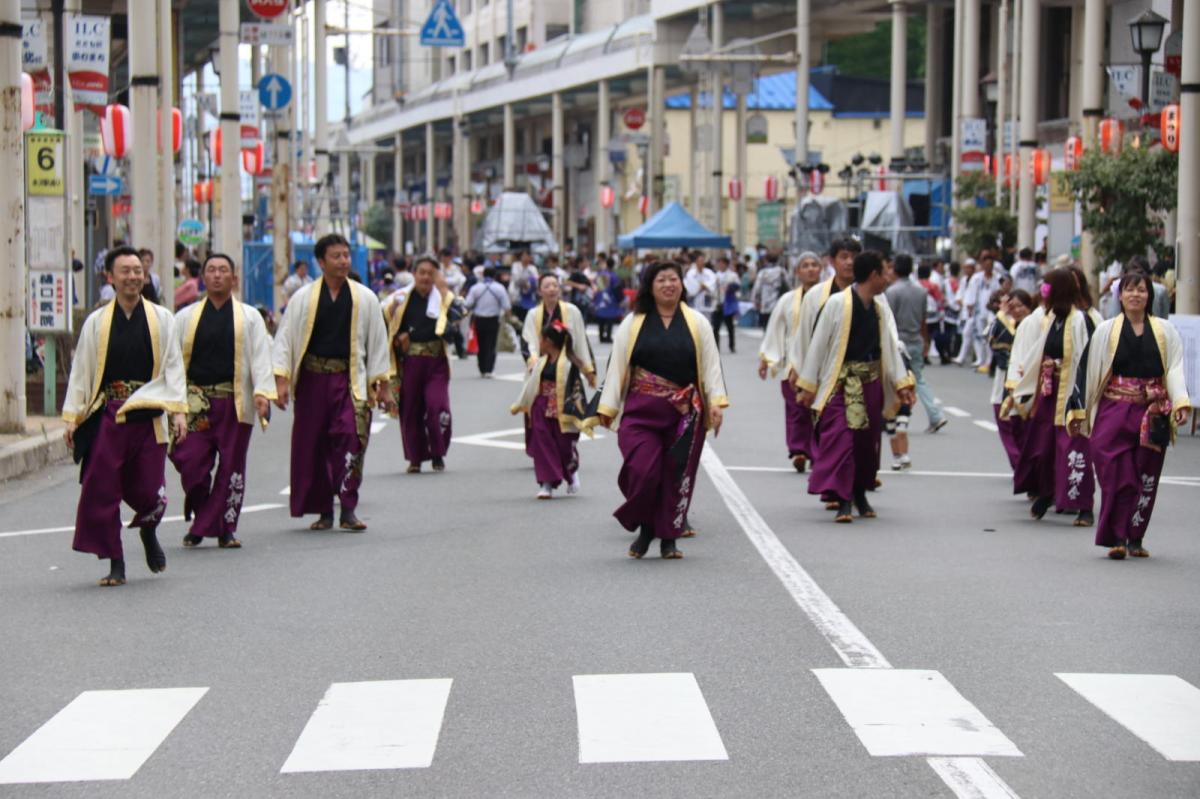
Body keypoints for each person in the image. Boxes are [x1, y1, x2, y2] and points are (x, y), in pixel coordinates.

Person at [61, 246, 188, 586]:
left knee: (150, 489)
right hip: (110, 415)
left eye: (137, 271)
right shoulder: (96, 322)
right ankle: (115, 561)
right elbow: (82, 371)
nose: (133, 277)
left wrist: (178, 411)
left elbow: (174, 366)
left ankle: (148, 530)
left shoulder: (162, 319)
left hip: (149, 414)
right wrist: (72, 416)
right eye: (125, 271)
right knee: (103, 488)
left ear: (144, 277)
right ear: (110, 278)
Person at [597, 261, 729, 560]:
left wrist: (716, 403)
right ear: (650, 286)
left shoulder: (697, 322)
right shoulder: (633, 322)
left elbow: (711, 365)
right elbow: (617, 365)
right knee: (644, 470)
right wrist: (608, 405)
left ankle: (668, 539)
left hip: (684, 414)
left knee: (675, 475)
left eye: (674, 279)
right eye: (661, 280)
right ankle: (646, 528)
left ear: (682, 284)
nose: (669, 285)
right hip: (640, 412)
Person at [272, 234, 393, 532]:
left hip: (349, 379)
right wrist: (282, 381)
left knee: (352, 437)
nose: (343, 261)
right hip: (312, 380)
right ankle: (324, 510)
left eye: (346, 255)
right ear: (321, 262)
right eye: (336, 256)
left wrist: (383, 385)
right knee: (314, 445)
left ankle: (348, 508)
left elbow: (378, 342)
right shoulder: (303, 298)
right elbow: (285, 340)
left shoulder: (365, 297)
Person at [1071, 269, 1191, 559]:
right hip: (1114, 410)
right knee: (1116, 474)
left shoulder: (1165, 331)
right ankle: (1116, 537)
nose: (1135, 295)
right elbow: (1088, 370)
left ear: (1150, 296)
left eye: (1141, 289)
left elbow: (1174, 368)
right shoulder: (1106, 330)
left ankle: (1134, 537)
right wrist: (1078, 410)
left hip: (1151, 411)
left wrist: (1180, 401)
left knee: (1146, 474)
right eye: (1129, 289)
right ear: (1120, 295)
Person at [796, 251, 915, 523]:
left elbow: (889, 347)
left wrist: (902, 384)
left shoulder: (879, 308)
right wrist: (808, 384)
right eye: (884, 273)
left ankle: (860, 492)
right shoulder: (837, 303)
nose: (888, 278)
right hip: (840, 385)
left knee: (866, 443)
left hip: (870, 383)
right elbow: (818, 344)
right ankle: (844, 499)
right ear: (873, 275)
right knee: (842, 440)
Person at [169, 253, 275, 549]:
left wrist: (262, 393)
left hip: (234, 402)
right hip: (196, 402)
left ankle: (224, 529)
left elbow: (260, 358)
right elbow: (172, 363)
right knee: (191, 463)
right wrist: (174, 404)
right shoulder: (185, 318)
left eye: (223, 270)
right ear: (203, 277)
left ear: (234, 278)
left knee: (231, 468)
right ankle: (204, 518)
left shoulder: (250, 317)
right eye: (212, 270)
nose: (217, 275)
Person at [1005, 268, 1094, 526]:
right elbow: (1039, 352)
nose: (1043, 291)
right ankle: (1046, 492)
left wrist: (1082, 393)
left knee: (1072, 447)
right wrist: (1022, 381)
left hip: (1071, 393)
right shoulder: (1052, 317)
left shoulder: (1079, 320)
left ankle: (1083, 506)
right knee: (1042, 445)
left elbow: (1085, 358)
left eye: (1047, 286)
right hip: (1049, 391)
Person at [385, 256, 455, 474]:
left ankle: (437, 451)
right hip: (411, 362)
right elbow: (388, 326)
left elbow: (456, 326)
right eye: (421, 272)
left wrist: (445, 293)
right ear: (414, 274)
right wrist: (399, 339)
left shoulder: (444, 298)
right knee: (410, 409)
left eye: (430, 273)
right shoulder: (400, 299)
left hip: (436, 362)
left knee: (437, 406)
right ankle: (415, 457)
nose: (425, 277)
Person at [510, 321, 594, 499]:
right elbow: (531, 386)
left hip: (563, 408)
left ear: (550, 341)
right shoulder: (540, 362)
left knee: (564, 446)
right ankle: (546, 484)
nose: (540, 342)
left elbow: (577, 390)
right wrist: (520, 404)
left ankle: (571, 472)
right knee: (542, 444)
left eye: (542, 339)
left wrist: (580, 413)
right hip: (541, 406)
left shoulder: (570, 365)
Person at [758, 250, 822, 472]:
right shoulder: (787, 300)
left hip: (822, 365)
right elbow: (775, 328)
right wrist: (767, 358)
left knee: (820, 411)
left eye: (814, 264)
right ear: (797, 272)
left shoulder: (832, 297)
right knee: (796, 410)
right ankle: (799, 450)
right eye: (805, 265)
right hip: (793, 365)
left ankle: (818, 452)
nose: (810, 269)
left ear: (821, 269)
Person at [885, 254, 948, 434]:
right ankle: (936, 415)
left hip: (898, 342)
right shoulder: (921, 291)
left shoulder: (892, 292)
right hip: (916, 339)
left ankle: (892, 417)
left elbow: (889, 320)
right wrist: (925, 340)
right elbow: (923, 319)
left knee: (892, 381)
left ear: (896, 269)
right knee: (918, 379)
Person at [990, 288, 1035, 470]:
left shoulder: (1034, 325)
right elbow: (995, 340)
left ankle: (1024, 466)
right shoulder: (1007, 324)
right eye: (1012, 307)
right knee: (1007, 423)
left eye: (1020, 306)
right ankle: (1020, 465)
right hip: (1005, 380)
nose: (1016, 310)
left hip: (1028, 383)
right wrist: (1002, 314)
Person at [521, 273, 595, 382]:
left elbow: (581, 340)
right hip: (541, 367)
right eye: (547, 286)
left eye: (555, 286)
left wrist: (587, 368)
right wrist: (532, 360)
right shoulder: (533, 314)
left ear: (559, 289)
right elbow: (528, 340)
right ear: (539, 291)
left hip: (568, 366)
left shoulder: (572, 311)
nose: (552, 289)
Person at [464, 266, 512, 377]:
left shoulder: (476, 288)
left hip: (479, 319)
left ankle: (482, 368)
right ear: (495, 275)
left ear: (483, 275)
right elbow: (506, 306)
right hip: (493, 319)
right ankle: (489, 370)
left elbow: (468, 304)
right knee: (491, 344)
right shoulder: (499, 288)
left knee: (481, 344)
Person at [710, 256, 741, 353]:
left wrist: (730, 287)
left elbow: (737, 287)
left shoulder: (732, 275)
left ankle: (732, 345)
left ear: (726, 264)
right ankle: (716, 347)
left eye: (722, 263)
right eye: (719, 263)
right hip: (717, 303)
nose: (720, 265)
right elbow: (711, 288)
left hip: (728, 303)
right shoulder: (715, 275)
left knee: (730, 326)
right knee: (716, 327)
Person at [591, 256, 624, 344]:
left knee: (601, 317)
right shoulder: (614, 276)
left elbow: (595, 286)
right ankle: (608, 337)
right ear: (613, 265)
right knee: (610, 318)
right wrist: (620, 300)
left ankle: (601, 336)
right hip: (610, 299)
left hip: (600, 298)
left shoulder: (600, 274)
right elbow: (617, 289)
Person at [751, 252, 787, 329]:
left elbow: (757, 289)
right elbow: (788, 286)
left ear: (766, 260)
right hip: (779, 303)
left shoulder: (762, 273)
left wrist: (755, 301)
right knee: (778, 328)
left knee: (766, 328)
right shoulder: (782, 272)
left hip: (765, 304)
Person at [683, 251, 718, 321]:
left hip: (707, 301)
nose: (701, 263)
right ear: (696, 262)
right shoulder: (691, 273)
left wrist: (705, 286)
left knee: (707, 321)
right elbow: (690, 285)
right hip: (695, 302)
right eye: (699, 261)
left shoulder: (709, 273)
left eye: (702, 261)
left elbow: (712, 283)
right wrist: (699, 286)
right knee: (695, 321)